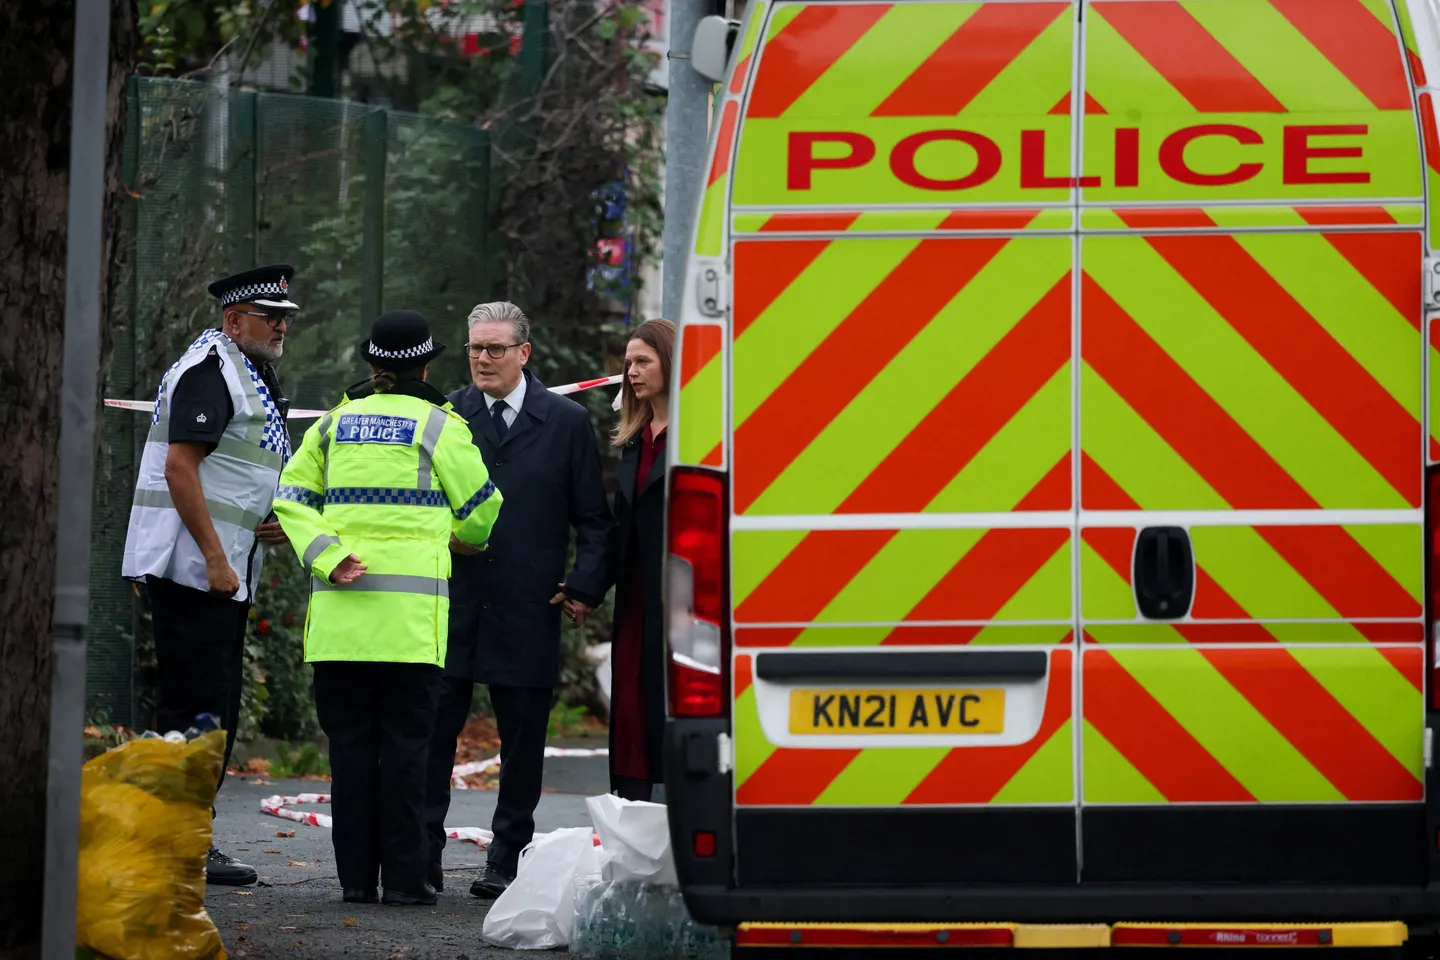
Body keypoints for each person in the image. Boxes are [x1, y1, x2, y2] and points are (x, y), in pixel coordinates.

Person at [272, 309, 503, 906]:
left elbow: (290, 499)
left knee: (350, 752)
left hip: (340, 628)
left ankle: (355, 881)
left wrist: (328, 556)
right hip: (409, 630)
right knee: (406, 753)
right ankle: (404, 881)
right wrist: (463, 538)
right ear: (425, 366)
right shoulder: (440, 426)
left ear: (373, 363)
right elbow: (483, 507)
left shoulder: (332, 425)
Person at [423, 300, 613, 899]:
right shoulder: (445, 414)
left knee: (523, 743)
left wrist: (584, 585)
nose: (482, 358)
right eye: (475, 348)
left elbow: (594, 518)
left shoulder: (566, 421)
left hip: (529, 603)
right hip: (449, 600)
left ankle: (506, 859)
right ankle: (422, 856)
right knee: (433, 734)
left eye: (495, 348)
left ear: (523, 353)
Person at [121, 264, 299, 886]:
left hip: (218, 566)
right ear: (234, 320)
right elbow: (180, 467)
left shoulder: (244, 370)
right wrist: (217, 557)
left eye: (284, 318)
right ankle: (174, 842)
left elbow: (236, 467)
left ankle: (184, 837)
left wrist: (269, 517)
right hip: (195, 568)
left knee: (209, 704)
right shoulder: (211, 370)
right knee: (196, 708)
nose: (280, 327)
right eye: (269, 317)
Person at [606, 319, 676, 802]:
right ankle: (632, 812)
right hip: (635, 596)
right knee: (631, 704)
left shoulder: (703, 434)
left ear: (670, 362)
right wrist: (586, 589)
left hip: (684, 596)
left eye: (642, 361)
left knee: (670, 702)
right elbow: (620, 527)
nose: (631, 372)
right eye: (628, 362)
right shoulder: (634, 437)